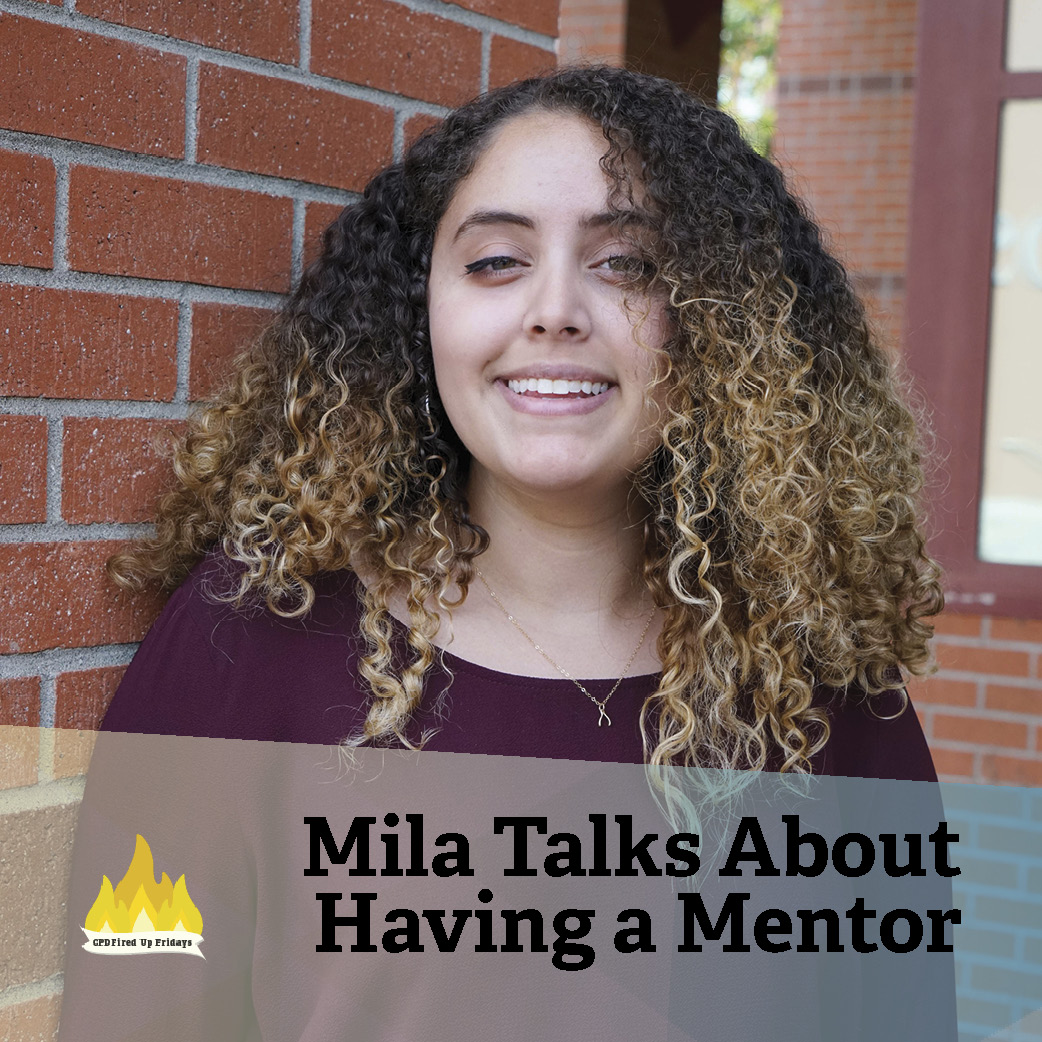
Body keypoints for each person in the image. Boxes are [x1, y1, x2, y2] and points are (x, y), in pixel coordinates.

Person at [59, 66, 954, 1042]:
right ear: (418, 309)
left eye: (626, 264)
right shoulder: (250, 642)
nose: (555, 308)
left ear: (719, 327)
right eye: (495, 261)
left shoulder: (823, 693)